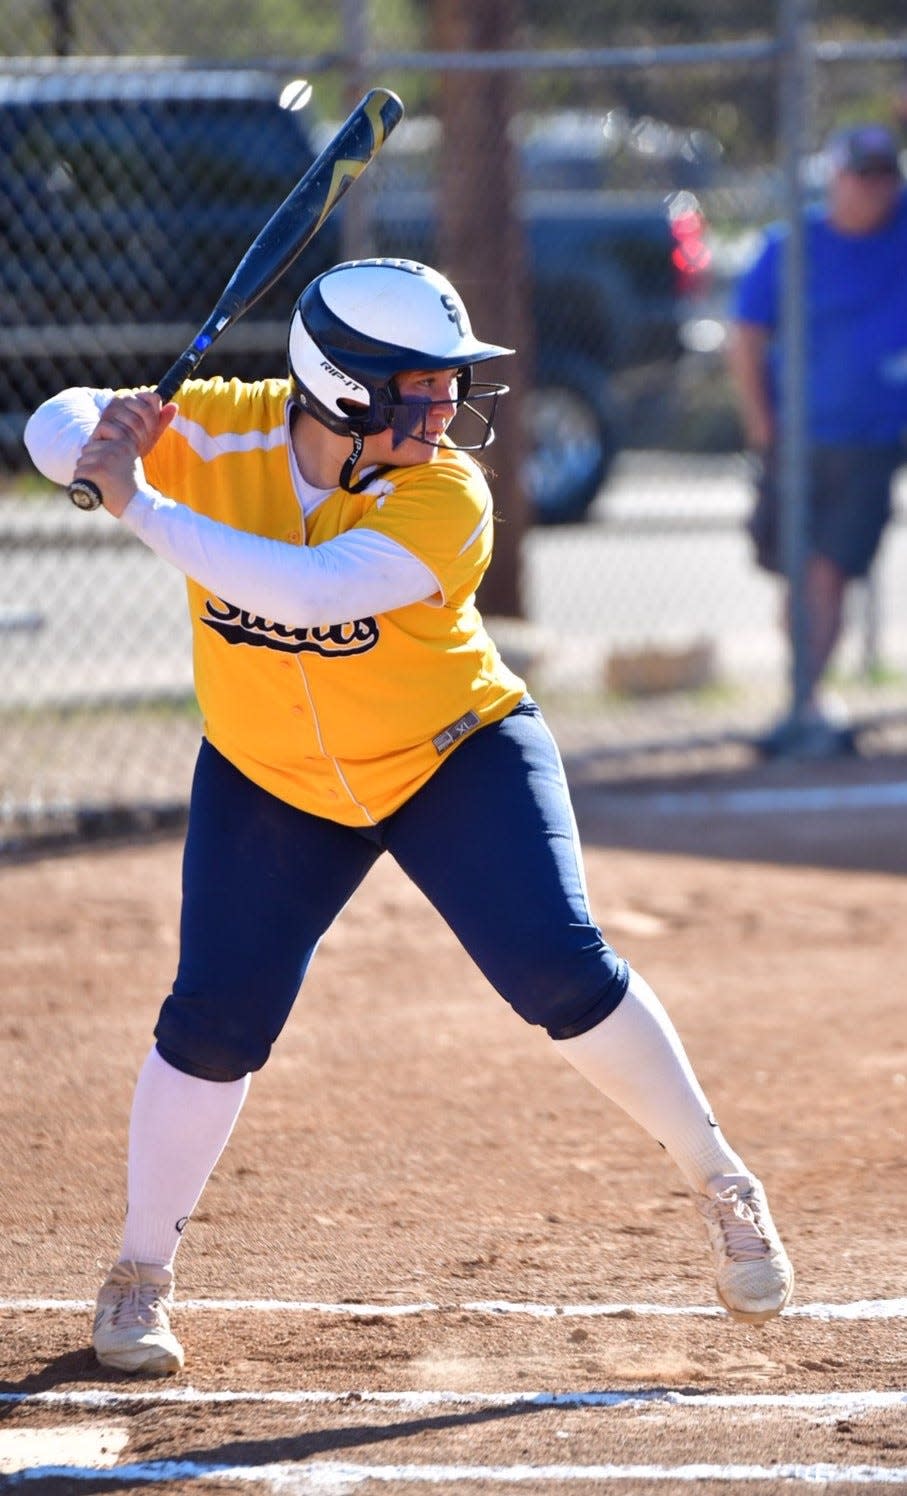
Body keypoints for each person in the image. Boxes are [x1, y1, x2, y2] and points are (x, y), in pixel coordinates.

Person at [25, 257, 793, 1376]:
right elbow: (57, 425)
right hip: (271, 770)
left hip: (451, 753)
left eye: (448, 385)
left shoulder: (448, 495)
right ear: (339, 390)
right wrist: (102, 431)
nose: (446, 410)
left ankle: (720, 1177)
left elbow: (304, 591)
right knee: (214, 1016)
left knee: (557, 964)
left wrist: (137, 500)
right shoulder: (219, 431)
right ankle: (141, 1269)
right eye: (420, 388)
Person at [728, 122, 907, 759]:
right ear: (834, 178)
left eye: (885, 175)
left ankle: (804, 706)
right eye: (862, 175)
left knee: (826, 574)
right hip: (797, 440)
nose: (875, 189)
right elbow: (746, 336)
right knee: (801, 576)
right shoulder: (793, 246)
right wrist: (762, 425)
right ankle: (807, 697)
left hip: (870, 441)